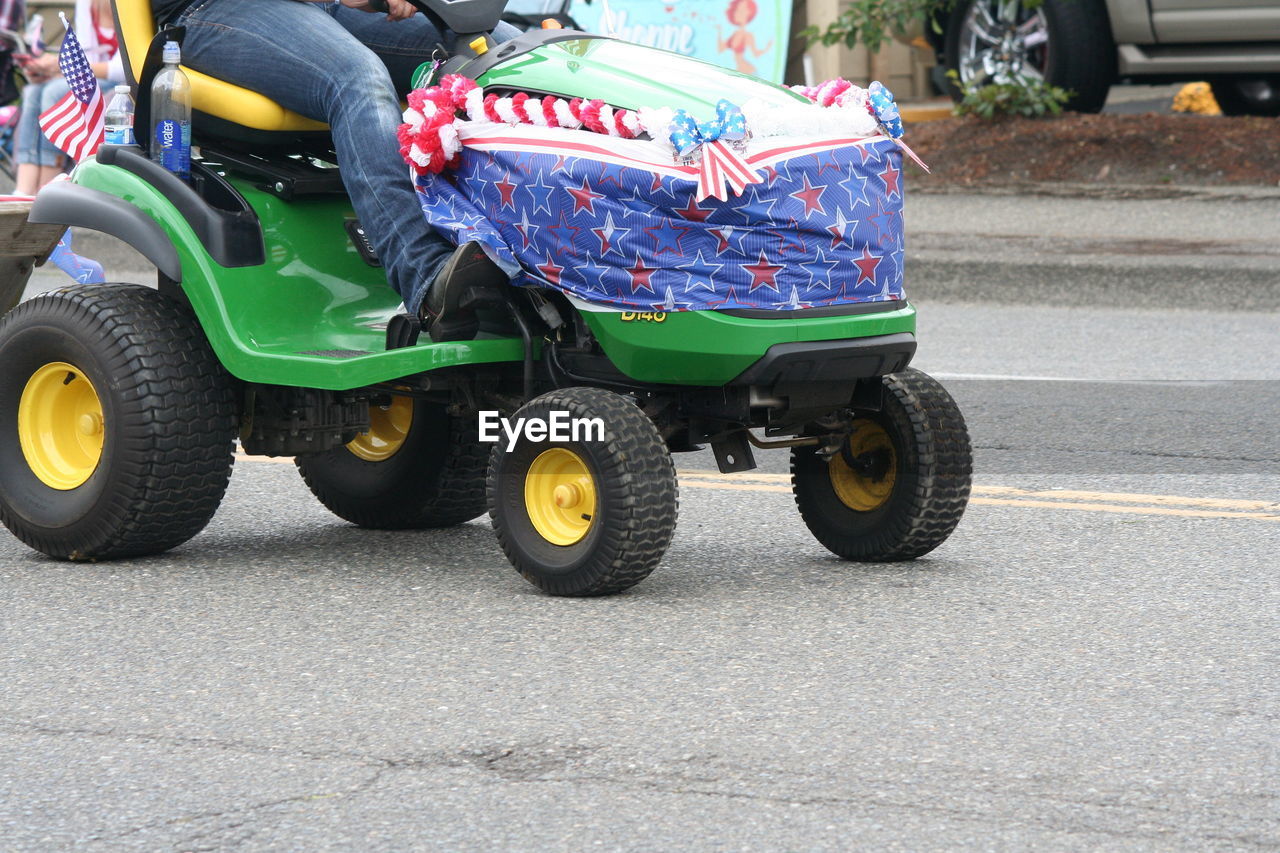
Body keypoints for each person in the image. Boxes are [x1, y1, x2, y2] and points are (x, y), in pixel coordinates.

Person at [152, 0, 515, 341]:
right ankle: (425, 274)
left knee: (511, 50)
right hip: (212, 11)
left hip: (321, 9)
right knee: (358, 77)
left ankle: (536, 260)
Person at [14, 0, 124, 196]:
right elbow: (84, 54)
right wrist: (49, 70)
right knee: (34, 90)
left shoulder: (132, 7)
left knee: (55, 92)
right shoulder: (87, 3)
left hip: (122, 85)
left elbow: (122, 70)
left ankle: (49, 184)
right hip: (91, 78)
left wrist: (60, 67)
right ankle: (24, 188)